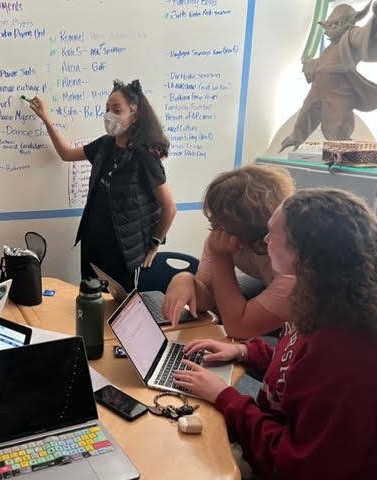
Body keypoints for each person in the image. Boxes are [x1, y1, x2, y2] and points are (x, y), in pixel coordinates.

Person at [172, 188, 377, 479]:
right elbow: (299, 366)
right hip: (268, 431)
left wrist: (225, 397)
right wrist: (245, 352)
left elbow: (297, 463)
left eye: (273, 233)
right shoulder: (321, 295)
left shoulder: (346, 347)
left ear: (305, 252)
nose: (266, 240)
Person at [29, 79, 177, 293]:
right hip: (93, 243)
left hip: (123, 251)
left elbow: (169, 208)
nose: (109, 115)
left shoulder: (144, 156)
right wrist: (46, 119)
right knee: (91, 301)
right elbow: (66, 154)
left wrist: (154, 244)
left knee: (118, 310)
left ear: (134, 115)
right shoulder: (105, 144)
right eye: (107, 109)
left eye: (116, 110)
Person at [163, 164, 296, 338]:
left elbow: (238, 329)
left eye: (223, 223)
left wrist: (221, 257)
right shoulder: (222, 236)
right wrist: (186, 280)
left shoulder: (291, 261)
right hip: (265, 284)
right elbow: (208, 300)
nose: (215, 229)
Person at [280, 2, 377, 151]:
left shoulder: (350, 35)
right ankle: (296, 137)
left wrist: (375, 22)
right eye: (330, 24)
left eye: (338, 23)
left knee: (336, 122)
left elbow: (363, 36)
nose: (332, 28)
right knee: (307, 109)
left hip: (340, 89)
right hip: (318, 87)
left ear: (349, 22)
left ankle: (342, 149)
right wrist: (297, 135)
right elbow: (308, 109)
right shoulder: (330, 48)